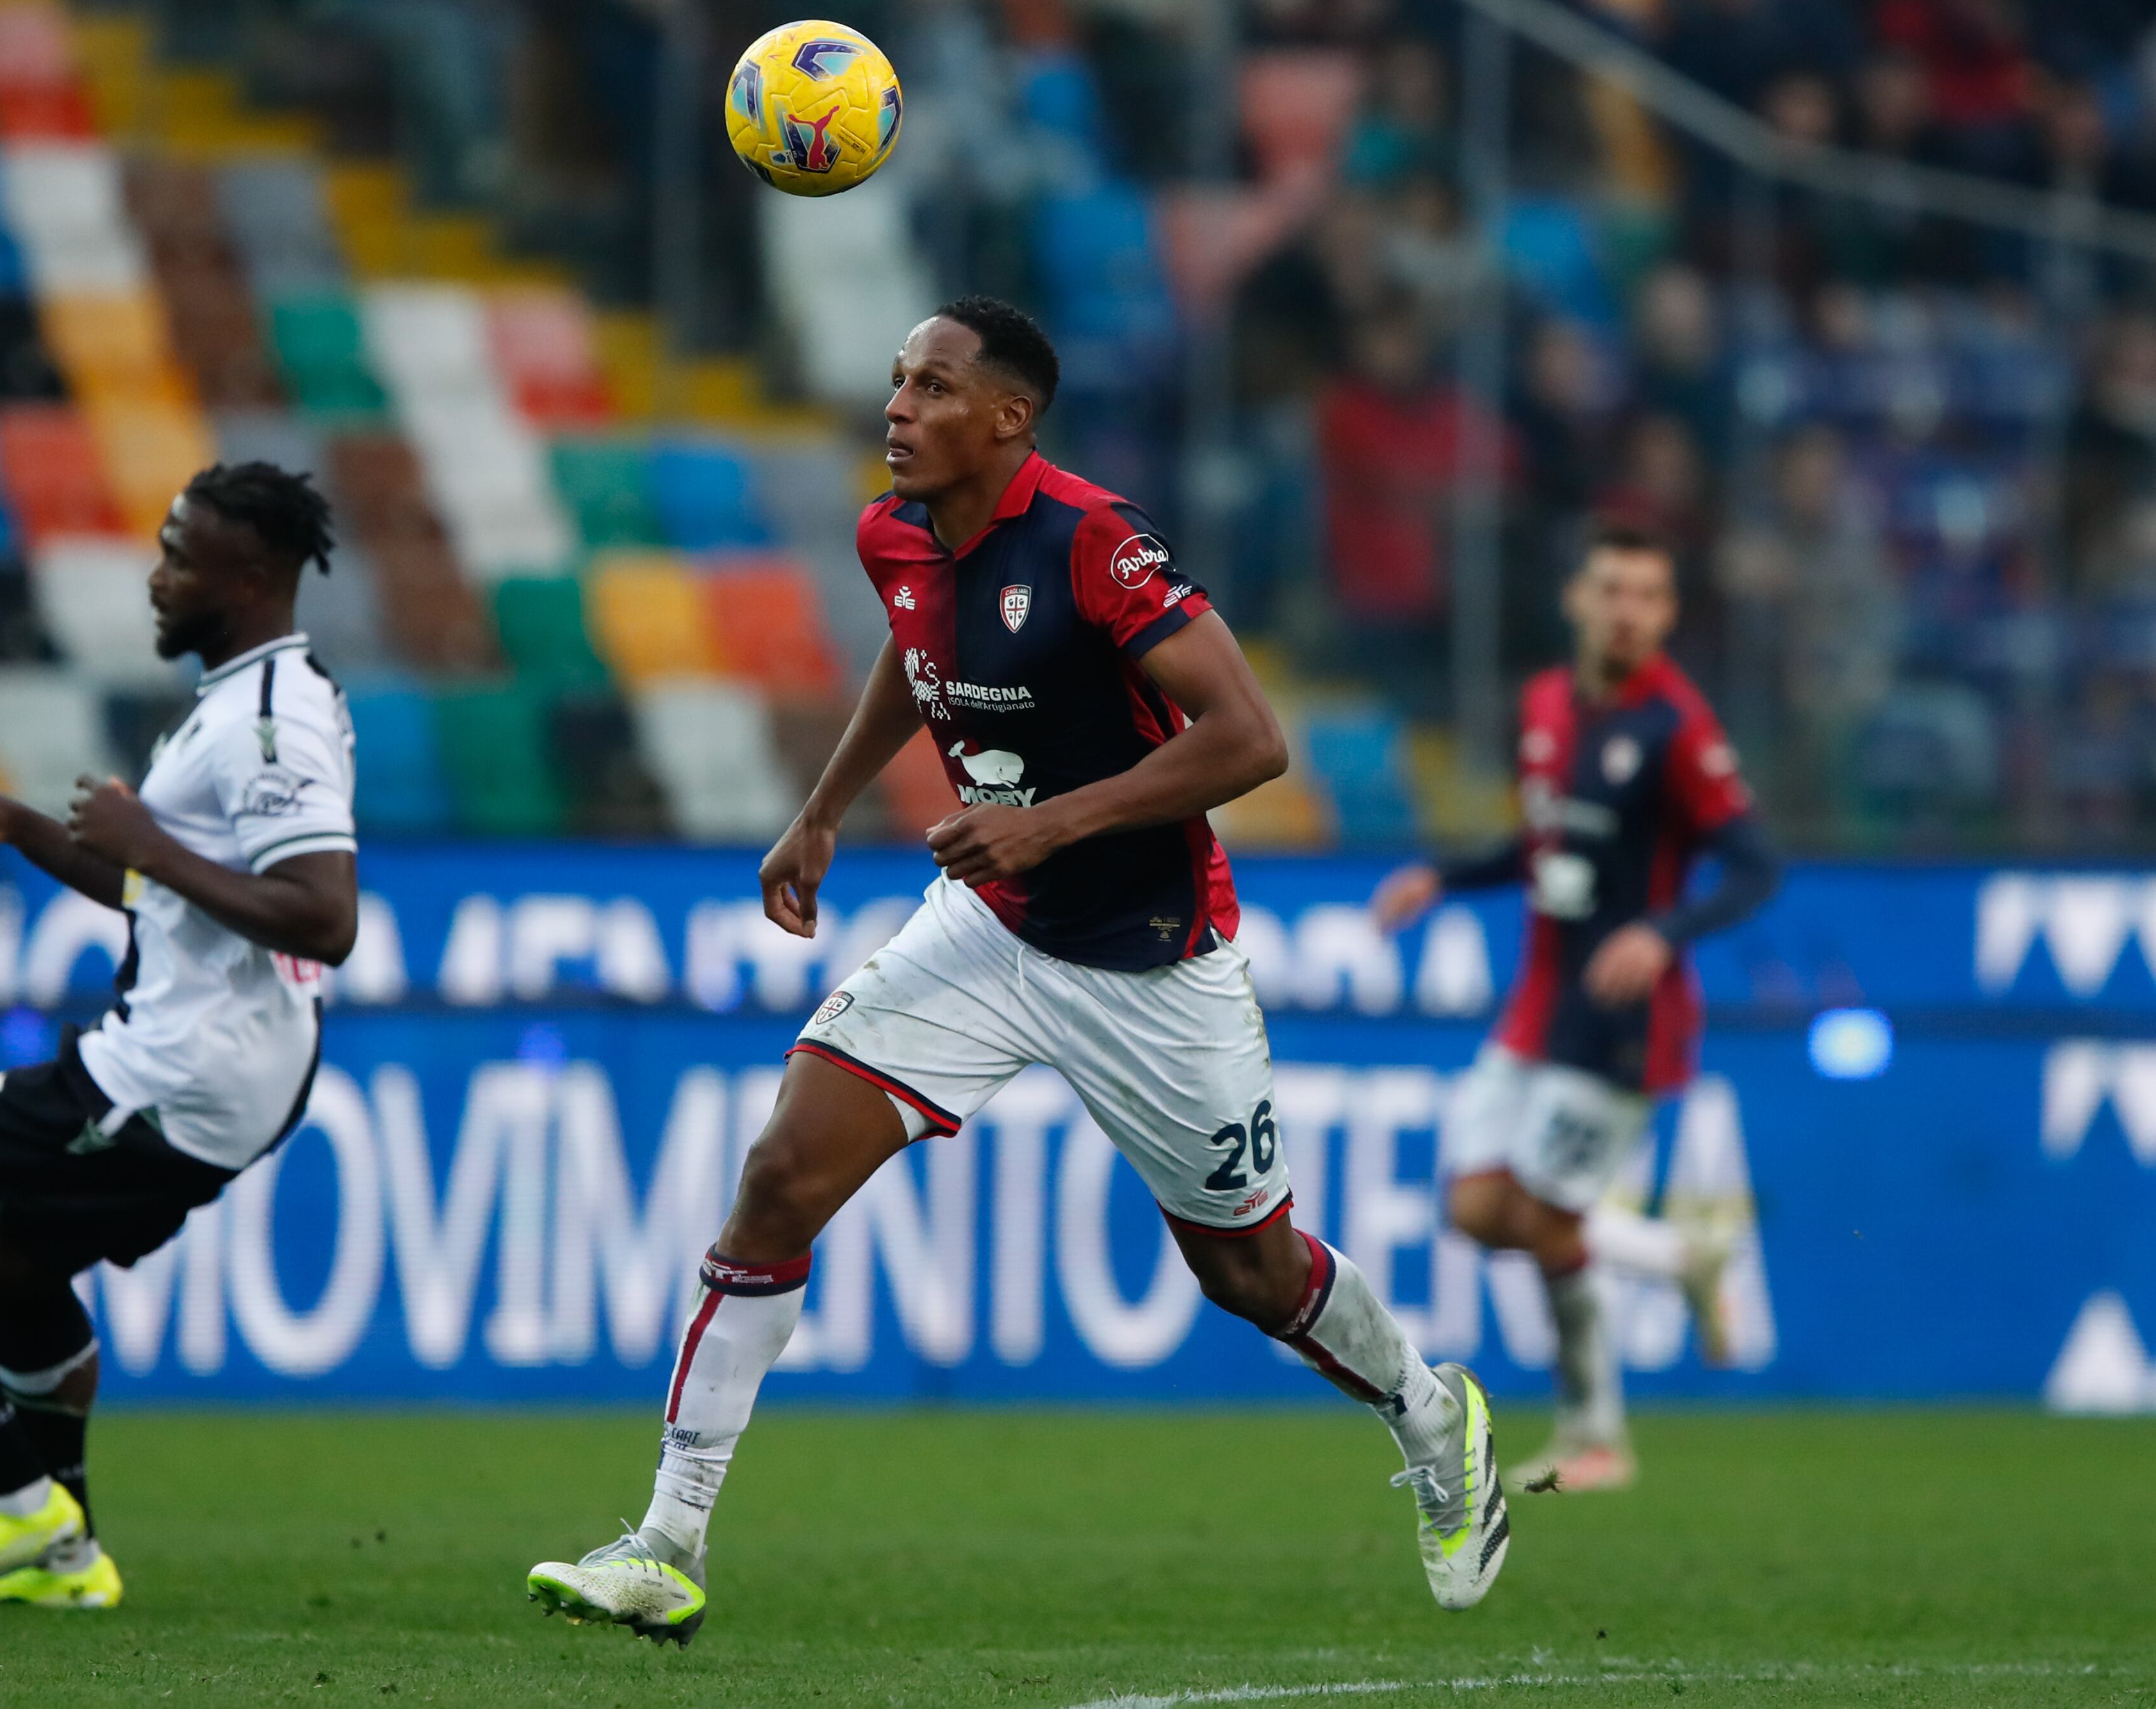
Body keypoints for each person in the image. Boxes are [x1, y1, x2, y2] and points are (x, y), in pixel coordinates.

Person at [525, 297, 1510, 1645]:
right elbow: (915, 645)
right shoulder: (894, 531)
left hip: (1150, 958)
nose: (896, 409)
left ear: (1008, 417)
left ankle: (1428, 1411)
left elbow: (1248, 739)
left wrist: (1046, 820)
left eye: (930, 387)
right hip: (986, 925)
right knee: (777, 1175)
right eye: (893, 382)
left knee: (1251, 1276)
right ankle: (666, 1540)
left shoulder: (1096, 544)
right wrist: (821, 805)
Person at [0, 463, 358, 1607]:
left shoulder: (271, 724)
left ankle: (19, 1507)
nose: (157, 575)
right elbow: (166, 897)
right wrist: (15, 822)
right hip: (189, 1062)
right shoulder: (236, 701)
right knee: (14, 1261)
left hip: (179, 1076)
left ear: (251, 576)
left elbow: (326, 917)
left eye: (181, 554)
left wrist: (150, 843)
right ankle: (67, 1563)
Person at [1371, 521, 1780, 1493]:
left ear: (1668, 614)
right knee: (1476, 1209)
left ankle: (1598, 1438)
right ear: (1579, 601)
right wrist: (1444, 875)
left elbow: (1758, 863)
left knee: (1548, 1222)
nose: (1627, 610)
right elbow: (1544, 845)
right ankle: (1682, 1254)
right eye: (1611, 589)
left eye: (1647, 595)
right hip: (1538, 1007)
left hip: (1624, 1025)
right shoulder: (1548, 702)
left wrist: (1663, 933)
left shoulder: (1678, 727)